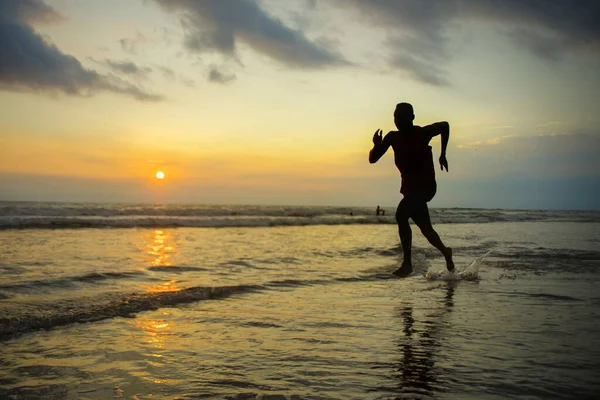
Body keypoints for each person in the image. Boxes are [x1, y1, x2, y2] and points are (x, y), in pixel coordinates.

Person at [369, 102, 454, 277]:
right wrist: (376, 145)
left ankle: (407, 263)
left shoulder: (423, 133)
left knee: (401, 214)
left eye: (403, 118)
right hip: (410, 190)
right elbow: (373, 159)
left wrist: (443, 153)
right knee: (426, 229)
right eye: (396, 118)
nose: (399, 121)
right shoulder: (393, 137)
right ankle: (446, 252)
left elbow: (445, 126)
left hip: (426, 187)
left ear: (412, 118)